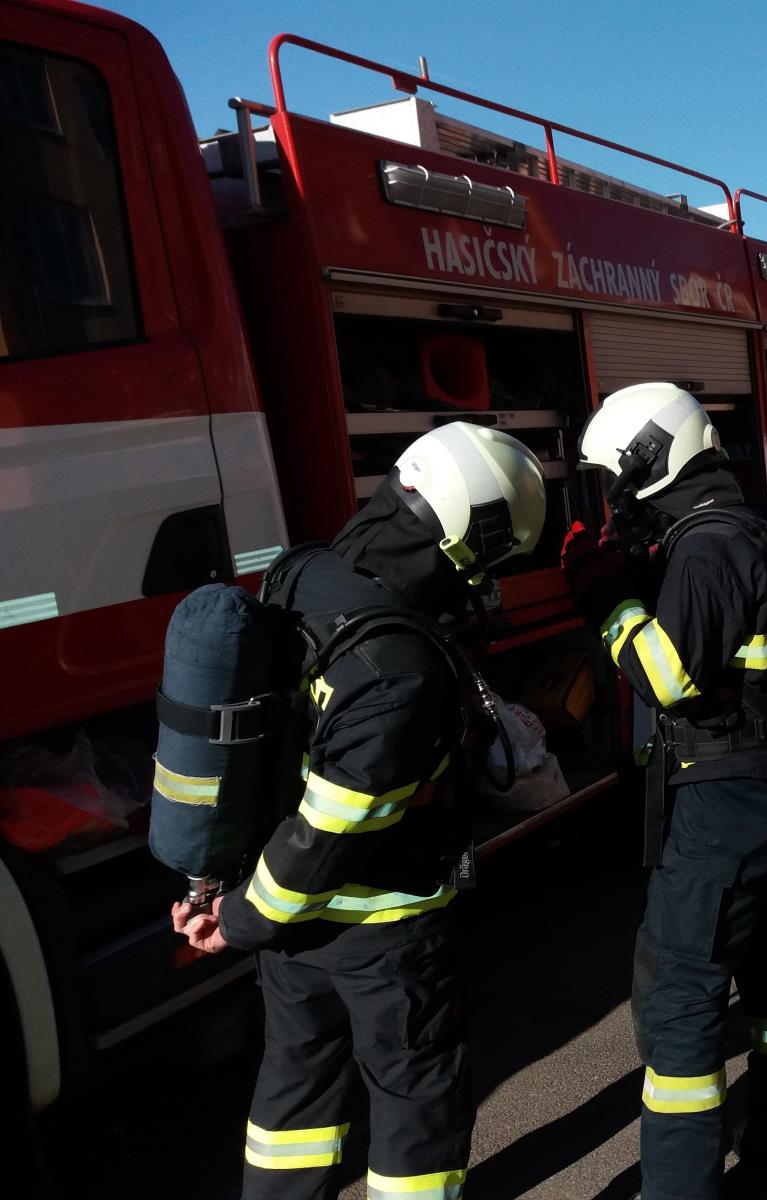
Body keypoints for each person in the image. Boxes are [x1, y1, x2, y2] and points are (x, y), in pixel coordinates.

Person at [176, 423, 548, 1200]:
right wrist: (240, 920)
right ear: (469, 541)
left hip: (290, 937)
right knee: (417, 1106)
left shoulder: (303, 570)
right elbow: (331, 829)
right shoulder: (400, 667)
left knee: (293, 1101)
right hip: (384, 931)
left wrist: (233, 901)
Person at [561, 382, 767, 1200]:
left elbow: (668, 676)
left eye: (615, 478)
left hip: (724, 802)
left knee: (681, 995)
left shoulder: (706, 547)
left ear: (649, 460)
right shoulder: (755, 524)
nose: (613, 498)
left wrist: (605, 596)